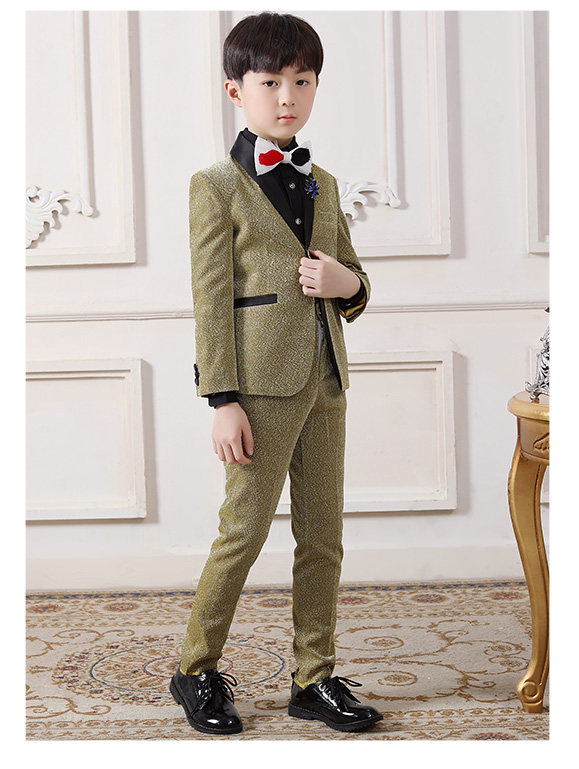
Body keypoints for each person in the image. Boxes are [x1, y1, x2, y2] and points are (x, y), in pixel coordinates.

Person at [169, 11, 382, 735]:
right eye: (270, 82)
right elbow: (210, 299)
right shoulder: (215, 185)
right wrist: (221, 398)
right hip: (257, 389)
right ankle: (195, 668)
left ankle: (313, 677)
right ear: (236, 90)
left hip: (325, 381)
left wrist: (346, 284)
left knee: (323, 538)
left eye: (302, 81)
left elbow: (354, 280)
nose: (287, 96)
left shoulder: (324, 182)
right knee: (244, 531)